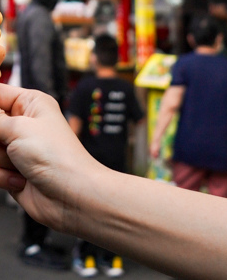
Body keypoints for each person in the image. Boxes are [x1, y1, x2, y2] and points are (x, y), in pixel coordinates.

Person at [0, 82, 227, 280]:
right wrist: (81, 195)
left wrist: (82, 193)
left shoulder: (85, 89)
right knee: (219, 195)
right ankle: (109, 259)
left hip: (171, 153)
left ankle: (92, 258)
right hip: (212, 153)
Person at [150, 13, 227, 197]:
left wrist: (157, 139)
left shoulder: (184, 65)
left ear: (191, 39)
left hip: (190, 150)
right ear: (219, 39)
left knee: (184, 206)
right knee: (223, 211)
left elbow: (170, 103)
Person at [68, 34, 144, 278]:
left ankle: (85, 257)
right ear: (118, 59)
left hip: (89, 161)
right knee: (114, 211)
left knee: (88, 209)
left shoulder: (84, 87)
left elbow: (74, 130)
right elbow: (139, 119)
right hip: (117, 160)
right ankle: (111, 258)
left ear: (94, 58)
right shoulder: (126, 87)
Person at [16, 0, 67, 269]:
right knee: (41, 175)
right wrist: (51, 107)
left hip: (36, 106)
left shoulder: (31, 14)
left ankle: (36, 239)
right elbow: (41, 66)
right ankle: (33, 243)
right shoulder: (39, 19)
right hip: (41, 111)